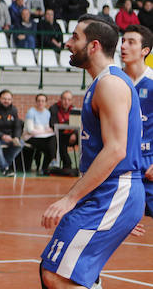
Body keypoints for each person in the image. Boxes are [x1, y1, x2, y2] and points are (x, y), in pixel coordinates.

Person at [40, 15, 145, 289]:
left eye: (75, 37)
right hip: (109, 196)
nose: (68, 42)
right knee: (62, 269)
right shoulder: (103, 82)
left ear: (94, 45)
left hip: (114, 192)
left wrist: (69, 199)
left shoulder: (110, 84)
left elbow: (116, 150)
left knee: (55, 274)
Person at [120, 25, 153, 224]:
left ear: (145, 51)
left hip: (148, 162)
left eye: (131, 42)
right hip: (120, 163)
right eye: (123, 41)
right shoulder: (114, 80)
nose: (123, 46)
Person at [49, 90, 79, 169]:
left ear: (71, 101)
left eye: (69, 100)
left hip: (72, 135)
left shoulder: (74, 110)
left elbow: (78, 124)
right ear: (60, 99)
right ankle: (67, 164)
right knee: (60, 141)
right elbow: (53, 125)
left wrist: (75, 134)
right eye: (64, 99)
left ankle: (86, 166)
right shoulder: (53, 109)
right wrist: (67, 124)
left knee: (84, 139)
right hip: (60, 136)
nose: (66, 102)